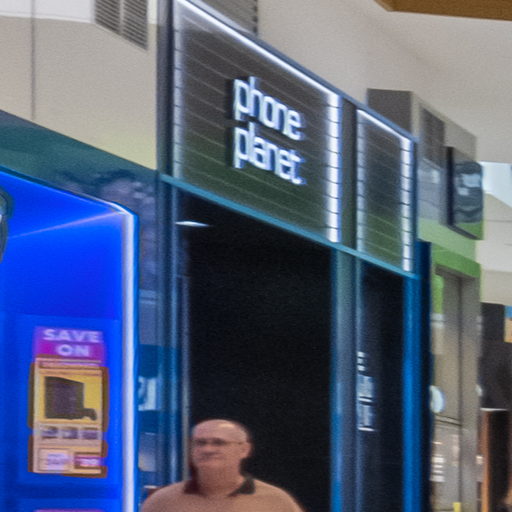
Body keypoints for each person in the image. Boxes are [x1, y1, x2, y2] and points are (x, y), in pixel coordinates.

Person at [142, 418, 305, 512]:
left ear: (244, 449)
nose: (208, 449)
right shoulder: (163, 501)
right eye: (200, 443)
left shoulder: (276, 501)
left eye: (219, 443)